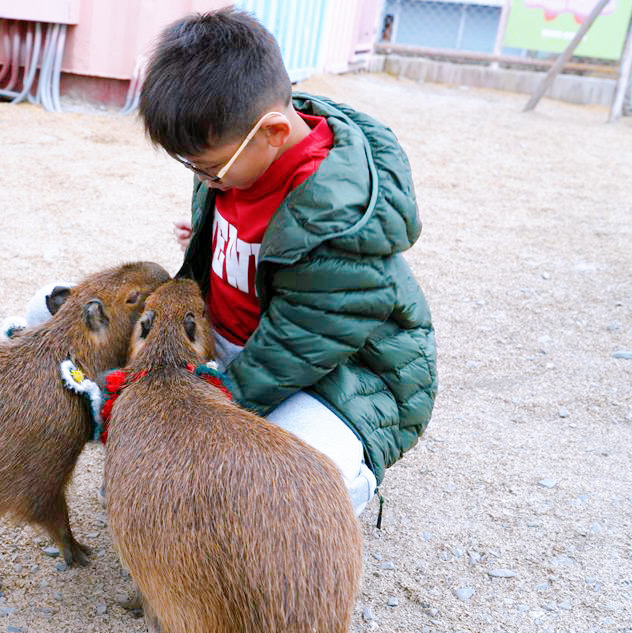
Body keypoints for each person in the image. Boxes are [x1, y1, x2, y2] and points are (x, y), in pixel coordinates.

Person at [136, 7, 437, 516]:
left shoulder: (338, 216)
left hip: (338, 374)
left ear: (273, 132)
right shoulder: (237, 154)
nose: (202, 178)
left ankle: (348, 484)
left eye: (208, 167)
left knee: (275, 490)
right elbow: (249, 227)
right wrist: (212, 240)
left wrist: (215, 405)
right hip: (238, 341)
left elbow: (297, 345)